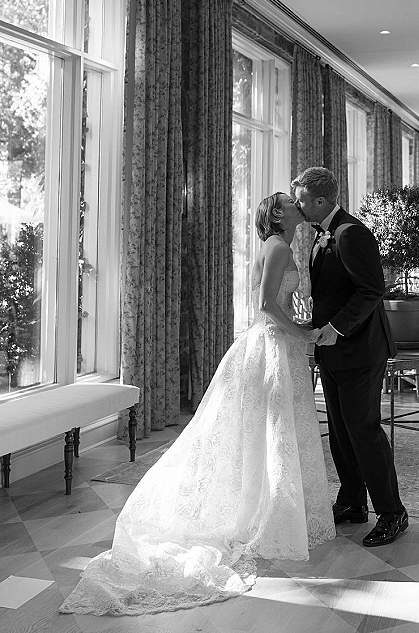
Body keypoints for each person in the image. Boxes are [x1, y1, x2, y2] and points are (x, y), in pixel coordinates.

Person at [60, 192, 335, 616]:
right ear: (279, 213)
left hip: (278, 345)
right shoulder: (278, 246)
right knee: (272, 431)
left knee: (269, 432)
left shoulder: (280, 244)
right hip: (273, 347)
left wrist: (299, 327)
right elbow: (265, 305)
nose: (297, 204)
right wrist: (300, 333)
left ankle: (266, 506)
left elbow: (273, 303)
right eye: (288, 201)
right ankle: (265, 512)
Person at [292, 167, 408, 547]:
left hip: (360, 351)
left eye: (302, 198)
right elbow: (335, 291)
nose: (298, 204)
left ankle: (393, 512)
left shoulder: (351, 232)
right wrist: (315, 321)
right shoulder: (323, 235)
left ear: (321, 200)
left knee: (364, 431)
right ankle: (353, 501)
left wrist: (336, 327)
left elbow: (372, 289)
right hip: (332, 351)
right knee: (341, 433)